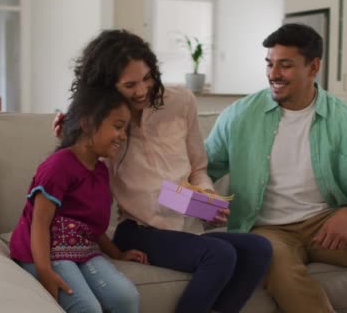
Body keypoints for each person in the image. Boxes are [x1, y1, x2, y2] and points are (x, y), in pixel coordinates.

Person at [53, 29, 273, 313]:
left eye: (147, 78)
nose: (142, 91)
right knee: (220, 255)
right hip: (139, 228)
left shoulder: (181, 101)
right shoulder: (102, 122)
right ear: (107, 86)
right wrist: (66, 138)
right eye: (129, 85)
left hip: (185, 228)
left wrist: (206, 198)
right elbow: (83, 176)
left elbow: (199, 167)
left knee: (259, 249)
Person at [204, 23, 347, 313]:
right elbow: (198, 169)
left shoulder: (345, 120)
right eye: (270, 64)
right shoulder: (240, 116)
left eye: (285, 65)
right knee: (270, 257)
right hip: (268, 229)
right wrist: (193, 204)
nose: (273, 74)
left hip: (324, 223)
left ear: (313, 67)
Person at [10, 87, 145, 313]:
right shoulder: (58, 166)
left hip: (82, 249)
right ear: (87, 124)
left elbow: (92, 226)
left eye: (125, 129)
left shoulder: (101, 171)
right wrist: (44, 271)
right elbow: (39, 223)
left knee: (126, 297)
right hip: (44, 250)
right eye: (118, 127)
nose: (123, 136)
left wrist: (117, 254)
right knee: (87, 307)